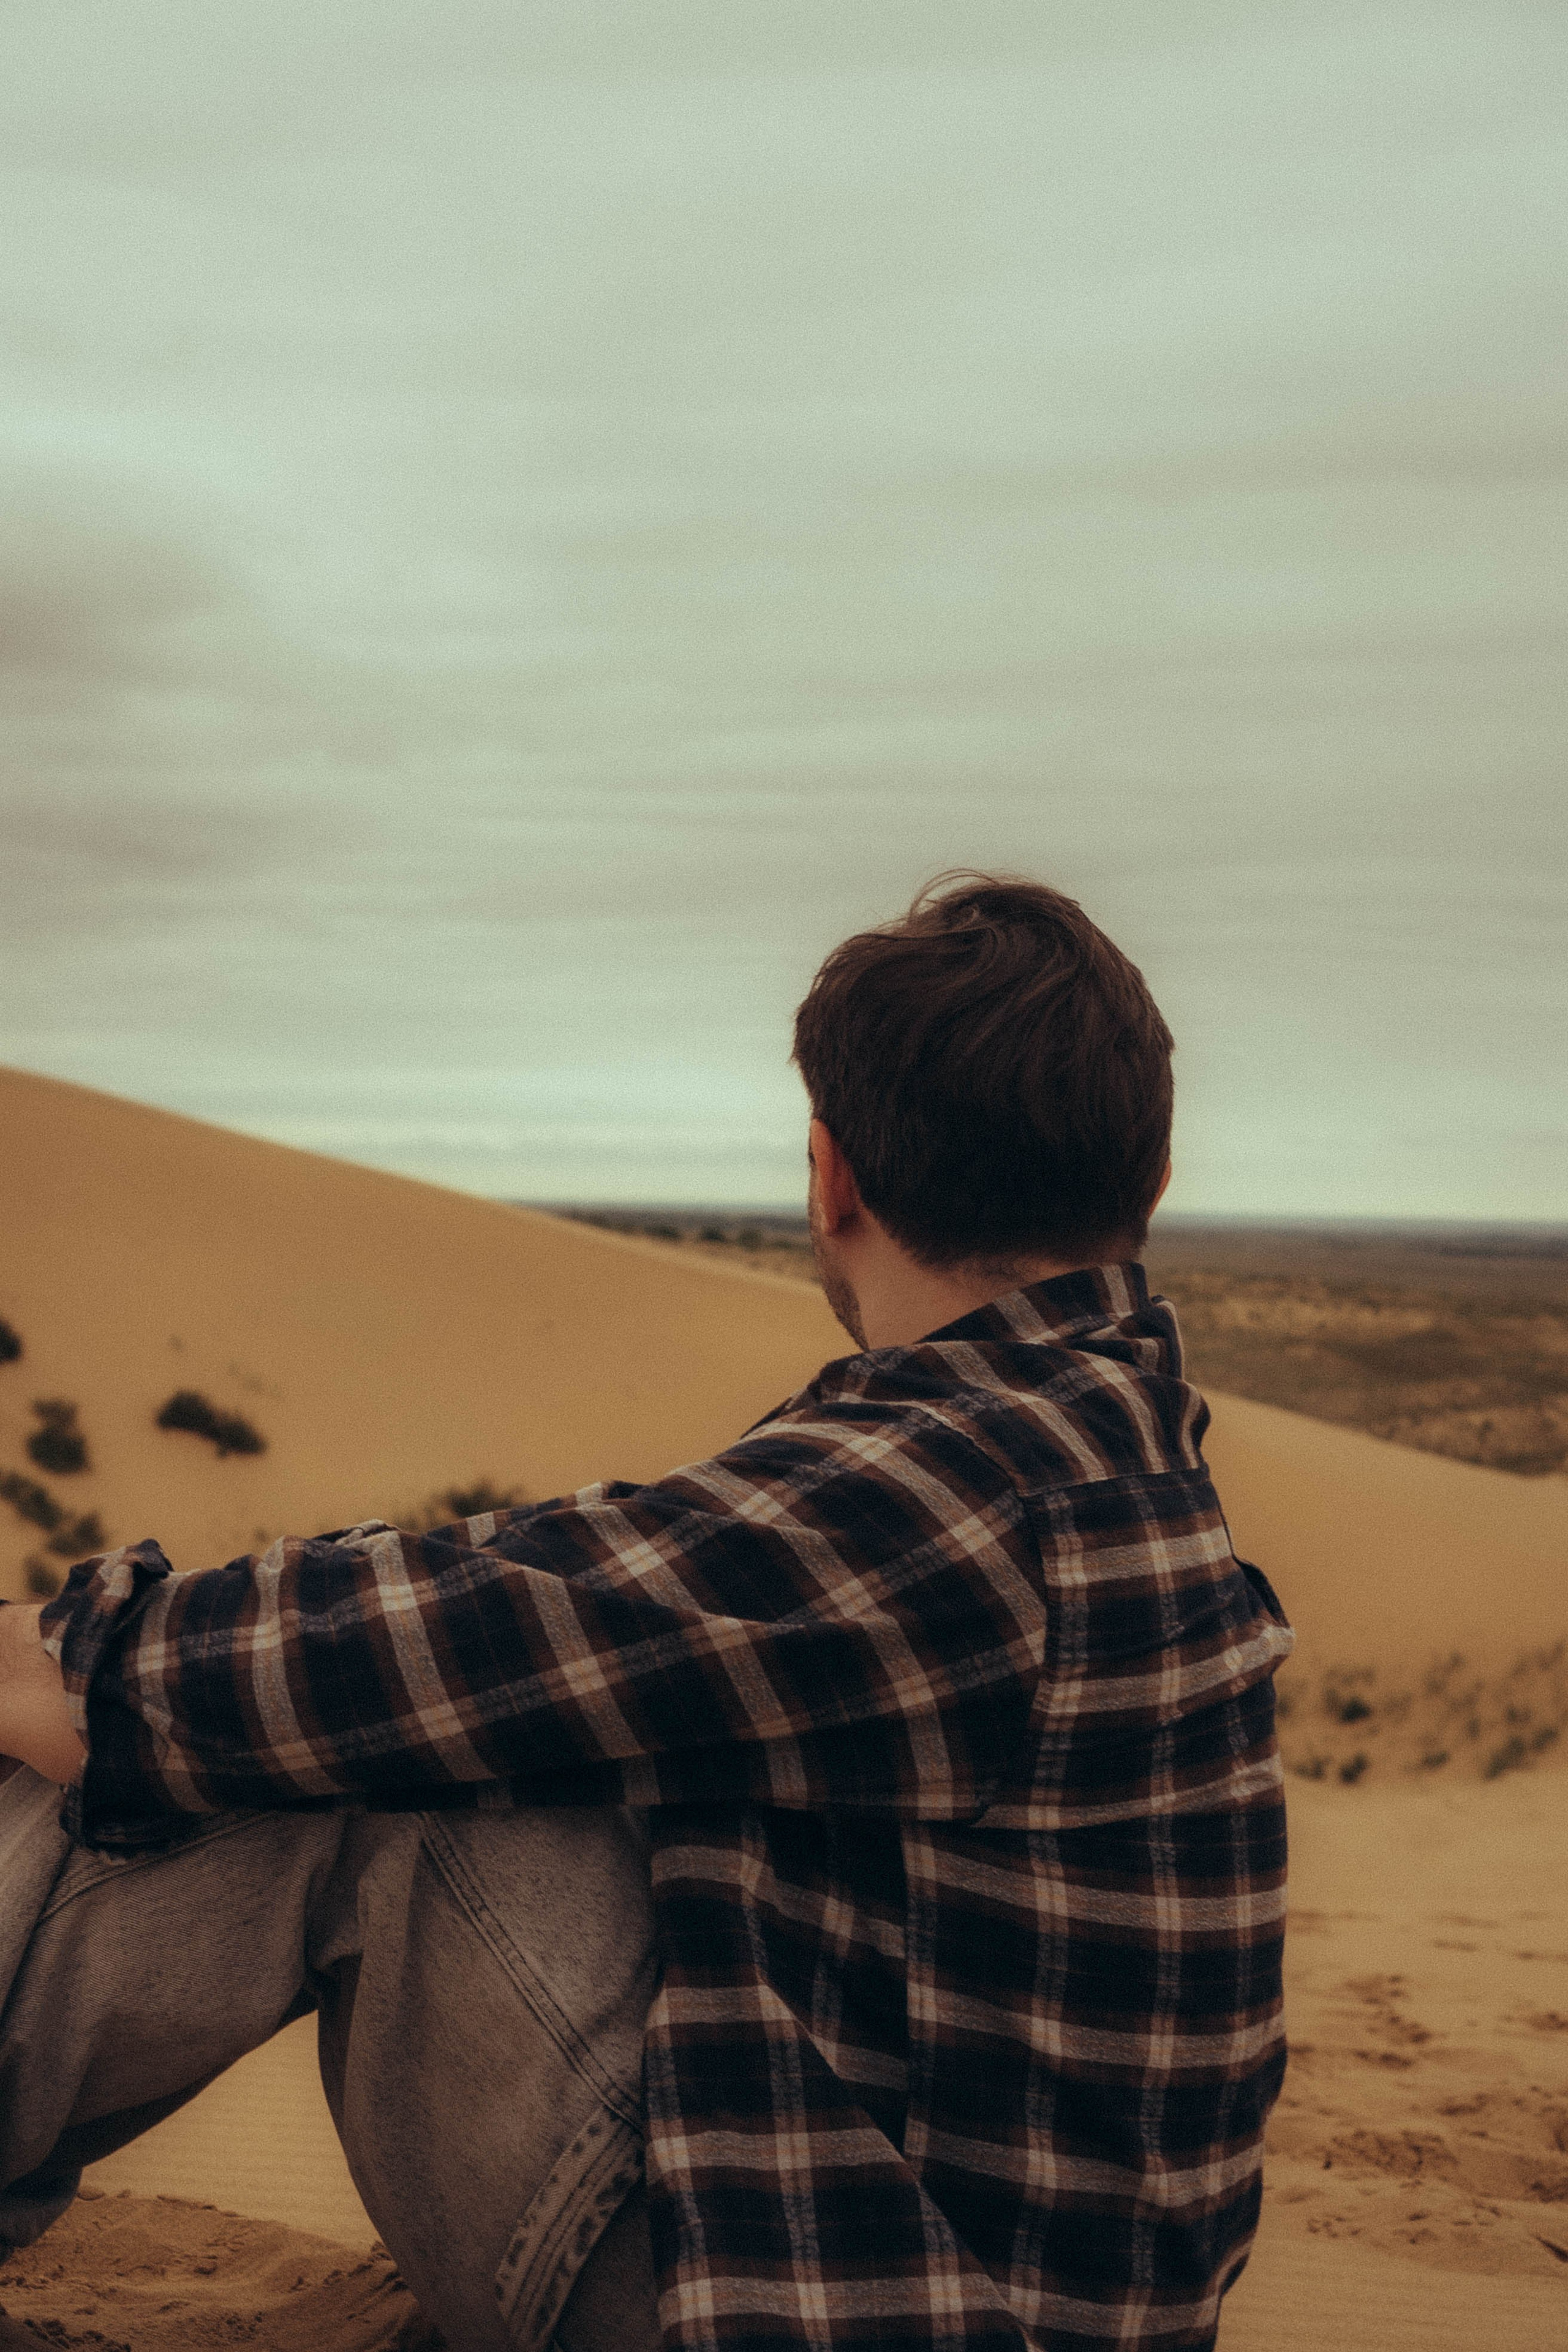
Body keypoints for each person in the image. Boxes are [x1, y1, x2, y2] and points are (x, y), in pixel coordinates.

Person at [0, 873, 1293, 2351]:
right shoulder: (1105, 1443)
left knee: (362, 1754)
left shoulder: (967, 1491)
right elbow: (609, 1596)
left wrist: (62, 1657)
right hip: (949, 2260)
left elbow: (439, 1644)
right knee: (417, 1711)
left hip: (866, 2298)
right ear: (1150, 1181)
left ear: (831, 1177)